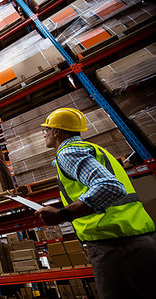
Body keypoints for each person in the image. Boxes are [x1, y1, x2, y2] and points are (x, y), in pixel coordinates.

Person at [36, 107, 156, 299]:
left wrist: (61, 215)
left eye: (46, 130)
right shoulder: (94, 150)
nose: (45, 135)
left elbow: (109, 187)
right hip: (139, 237)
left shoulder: (68, 153)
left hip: (116, 246)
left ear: (57, 131)